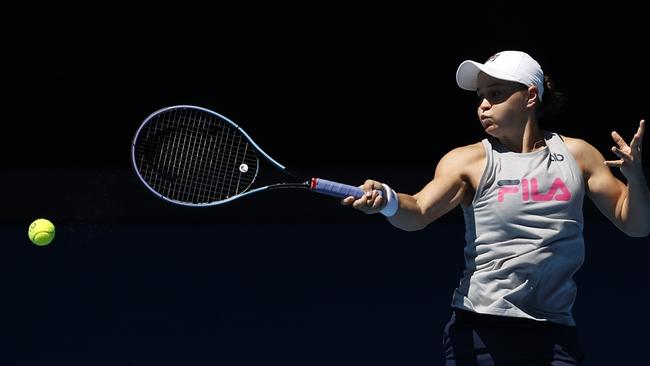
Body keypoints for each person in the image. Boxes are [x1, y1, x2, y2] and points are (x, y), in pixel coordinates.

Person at [342, 50, 650, 365]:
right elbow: (418, 211)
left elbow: (636, 225)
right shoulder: (468, 161)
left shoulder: (579, 155)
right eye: (480, 97)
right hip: (480, 330)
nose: (484, 105)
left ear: (530, 96)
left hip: (554, 331)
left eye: (496, 95)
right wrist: (388, 200)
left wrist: (636, 177)